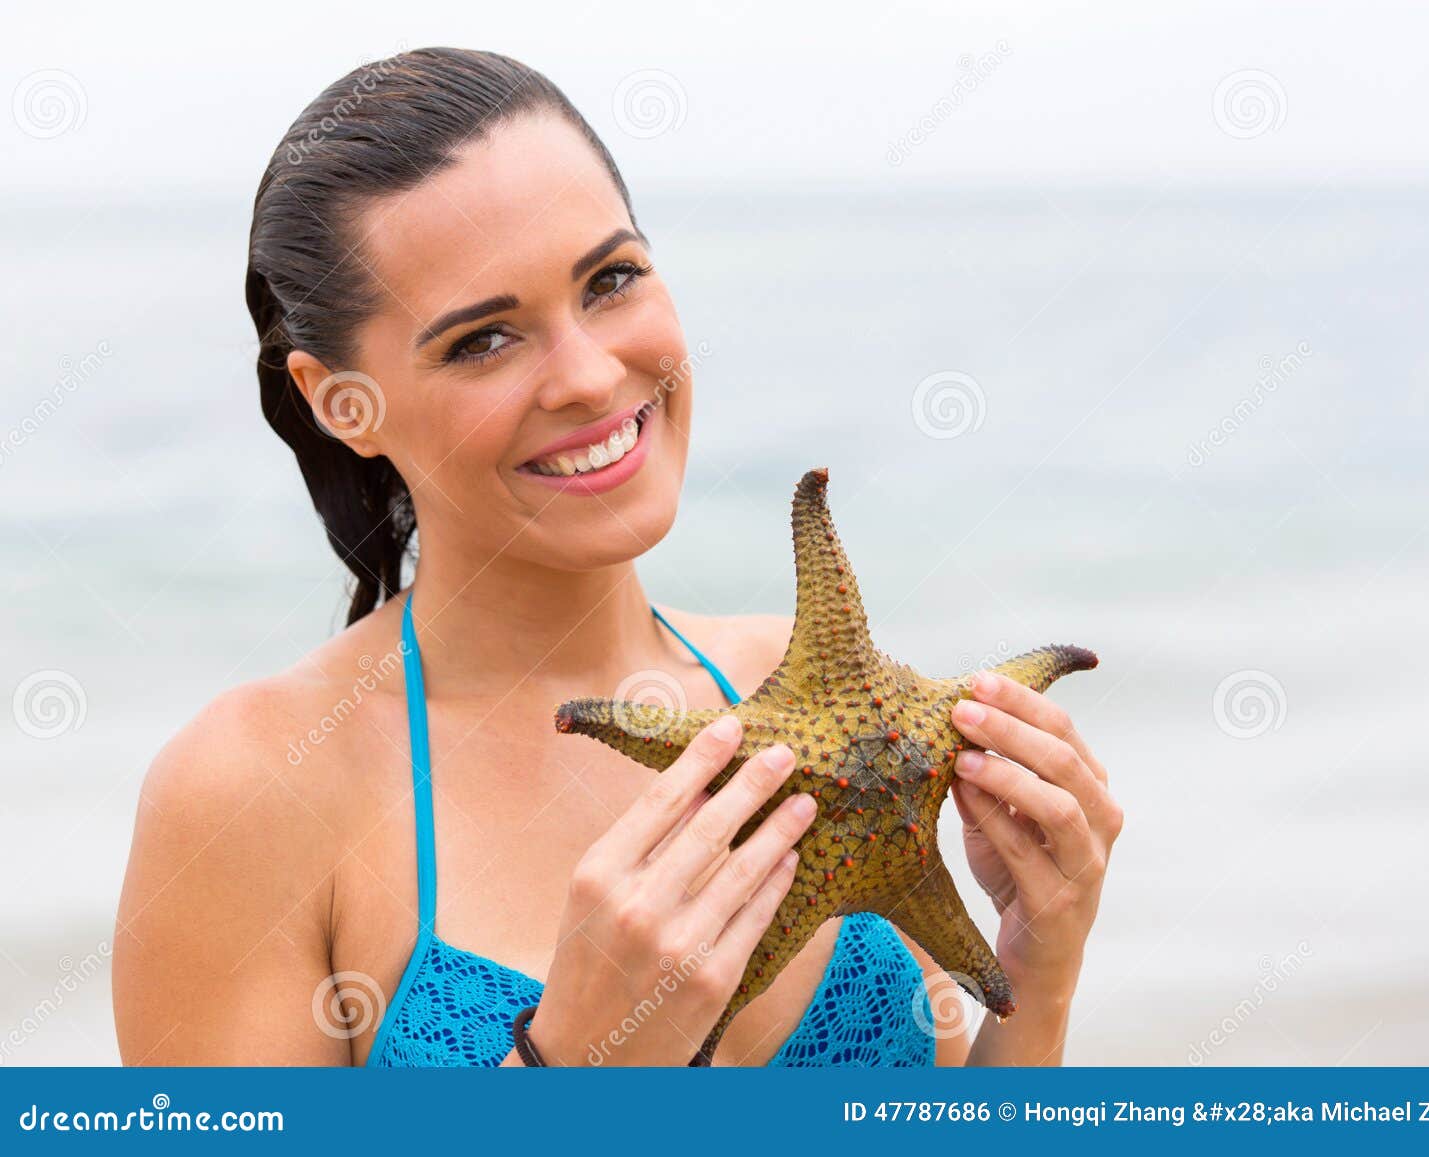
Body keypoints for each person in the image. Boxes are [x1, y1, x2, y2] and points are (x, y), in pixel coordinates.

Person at [112, 47, 1122, 1068]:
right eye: (481, 340)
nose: (591, 376)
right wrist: (571, 1065)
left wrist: (1039, 964)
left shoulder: (813, 693)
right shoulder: (254, 788)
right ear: (341, 401)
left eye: (612, 278)